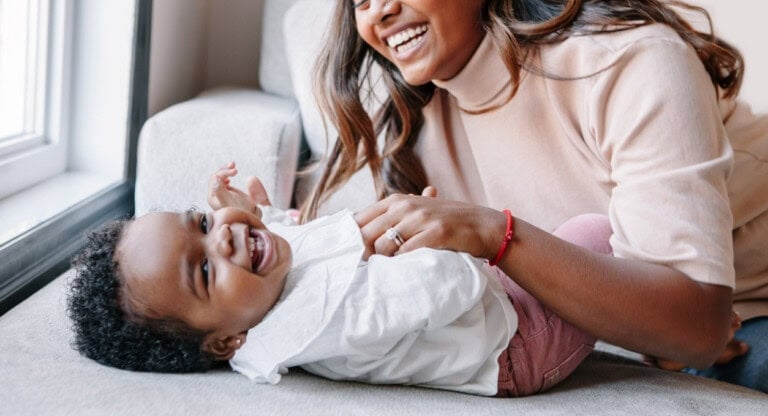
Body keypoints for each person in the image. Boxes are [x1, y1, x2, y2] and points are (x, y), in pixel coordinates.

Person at [300, 0, 768, 392]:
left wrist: (494, 234)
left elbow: (694, 328)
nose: (379, 9)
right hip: (644, 335)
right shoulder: (415, 133)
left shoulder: (628, 63)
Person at [67, 163, 614, 396]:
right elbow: (453, 289)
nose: (225, 237)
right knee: (594, 235)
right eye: (205, 269)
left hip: (488, 299)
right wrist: (431, 235)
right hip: (516, 341)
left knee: (562, 237)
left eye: (203, 223)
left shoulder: (261, 290)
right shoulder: (323, 322)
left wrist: (262, 211)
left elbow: (299, 247)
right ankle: (657, 332)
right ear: (226, 342)